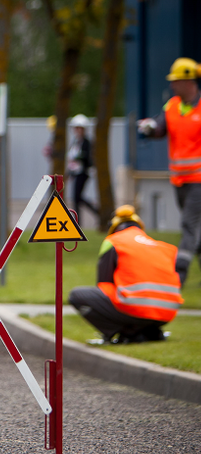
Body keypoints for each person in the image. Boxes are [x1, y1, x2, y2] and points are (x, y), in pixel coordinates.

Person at [69, 205, 183, 344]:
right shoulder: (162, 247)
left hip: (135, 309)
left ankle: (127, 332)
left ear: (114, 228)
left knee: (77, 295)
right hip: (167, 312)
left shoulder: (114, 241)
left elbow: (104, 283)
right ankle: (149, 330)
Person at [137, 57, 201, 286]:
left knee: (188, 225)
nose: (172, 85)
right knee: (194, 230)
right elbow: (160, 127)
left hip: (199, 180)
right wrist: (149, 128)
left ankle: (178, 278)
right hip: (179, 180)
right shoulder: (172, 105)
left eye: (177, 81)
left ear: (189, 82)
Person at [66, 114, 98, 224]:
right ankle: (79, 221)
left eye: (80, 128)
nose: (78, 130)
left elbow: (87, 157)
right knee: (77, 198)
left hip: (83, 173)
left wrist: (78, 157)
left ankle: (94, 213)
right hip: (75, 173)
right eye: (76, 128)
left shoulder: (86, 142)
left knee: (77, 197)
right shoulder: (75, 142)